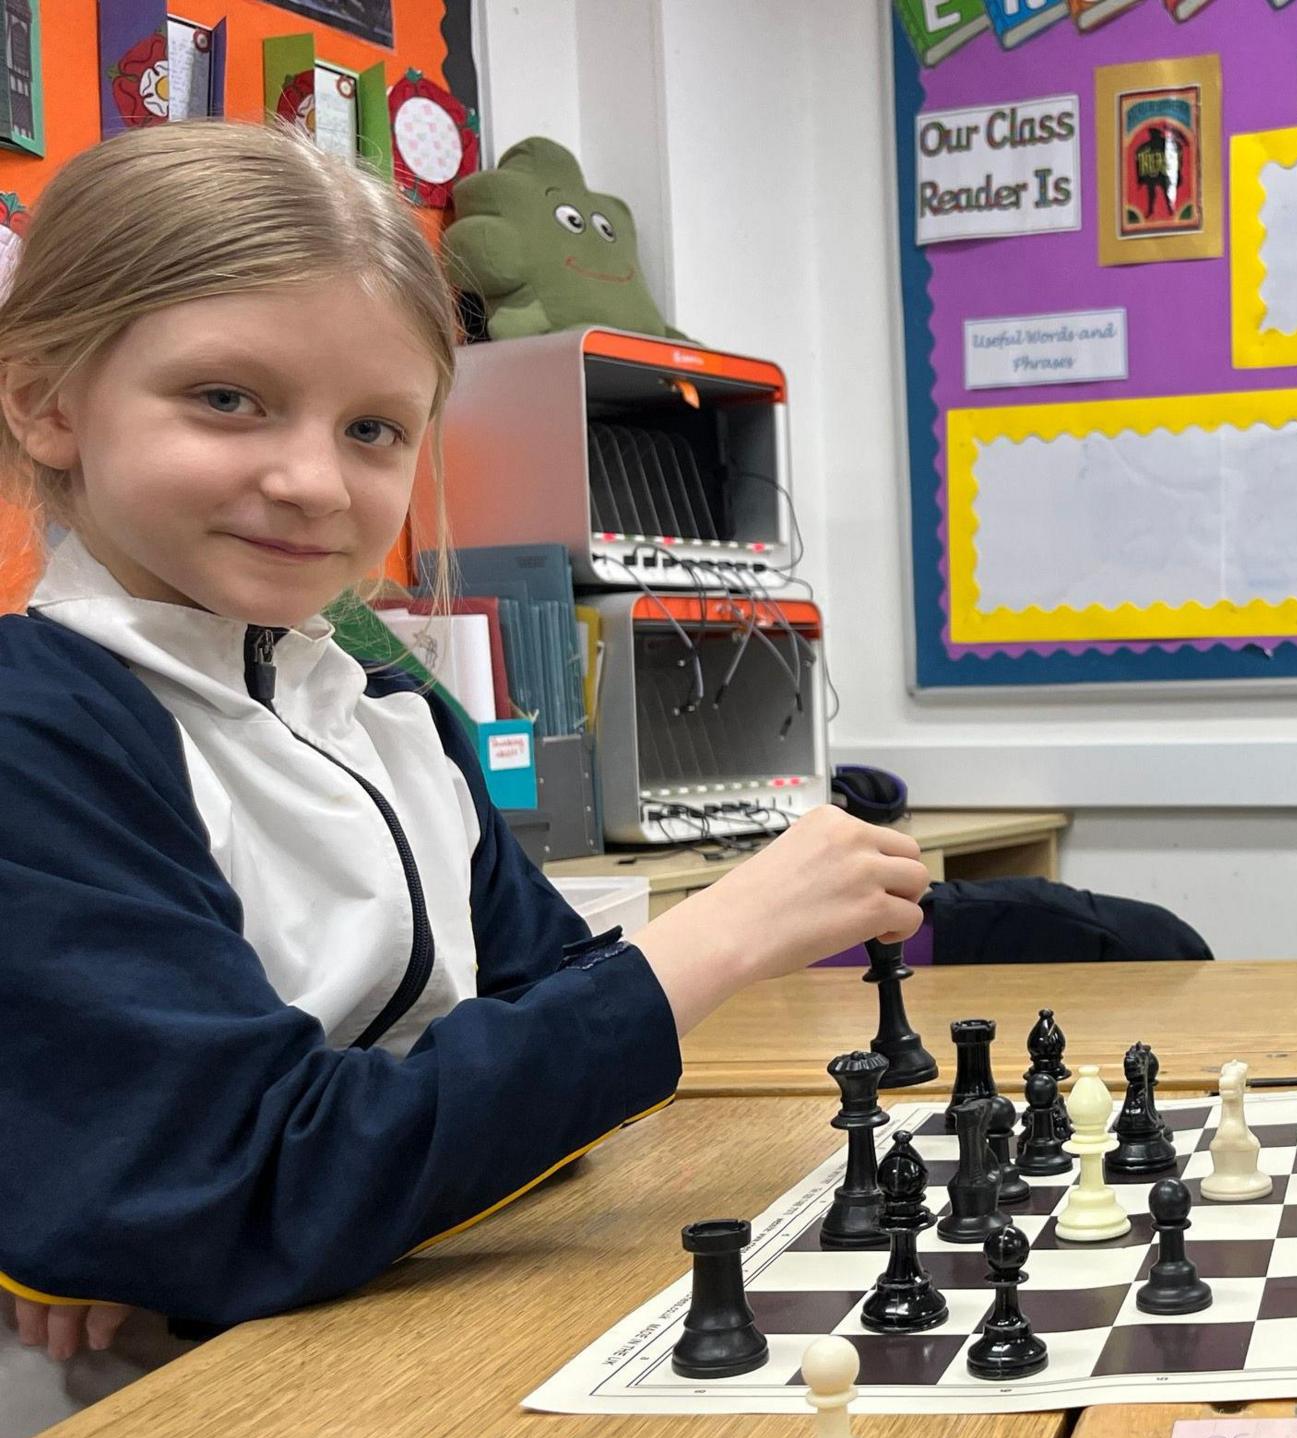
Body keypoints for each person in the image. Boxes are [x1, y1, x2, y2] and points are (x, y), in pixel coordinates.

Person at [0, 120, 927, 1366]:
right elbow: (265, 1182)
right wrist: (720, 937)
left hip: (412, 1310)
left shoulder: (387, 700)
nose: (314, 483)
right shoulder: (40, 729)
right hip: (185, 1385)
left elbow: (529, 1032)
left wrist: (179, 1188)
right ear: (45, 404)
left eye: (374, 430)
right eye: (227, 399)